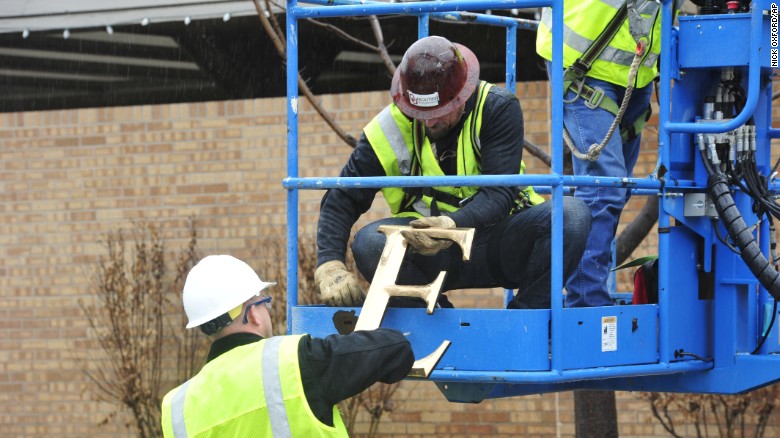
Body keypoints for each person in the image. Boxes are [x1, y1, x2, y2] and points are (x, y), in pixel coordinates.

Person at [314, 36, 591, 310]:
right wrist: (329, 262)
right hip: (430, 250)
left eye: (440, 110)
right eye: (420, 112)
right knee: (371, 243)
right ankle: (443, 324)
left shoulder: (497, 108)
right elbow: (342, 197)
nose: (430, 120)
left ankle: (524, 321)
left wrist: (451, 224)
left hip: (501, 240)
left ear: (464, 93)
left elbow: (498, 195)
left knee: (571, 215)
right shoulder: (388, 128)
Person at [535, 0, 705, 307]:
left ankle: (586, 292)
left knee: (611, 191)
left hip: (632, 69)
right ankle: (587, 305)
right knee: (605, 187)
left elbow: (773, 44)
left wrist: (773, 34)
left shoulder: (772, 25)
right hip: (584, 62)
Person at [161, 255, 414, 437]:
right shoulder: (292, 363)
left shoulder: (176, 408)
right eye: (265, 302)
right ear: (252, 314)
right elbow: (395, 348)